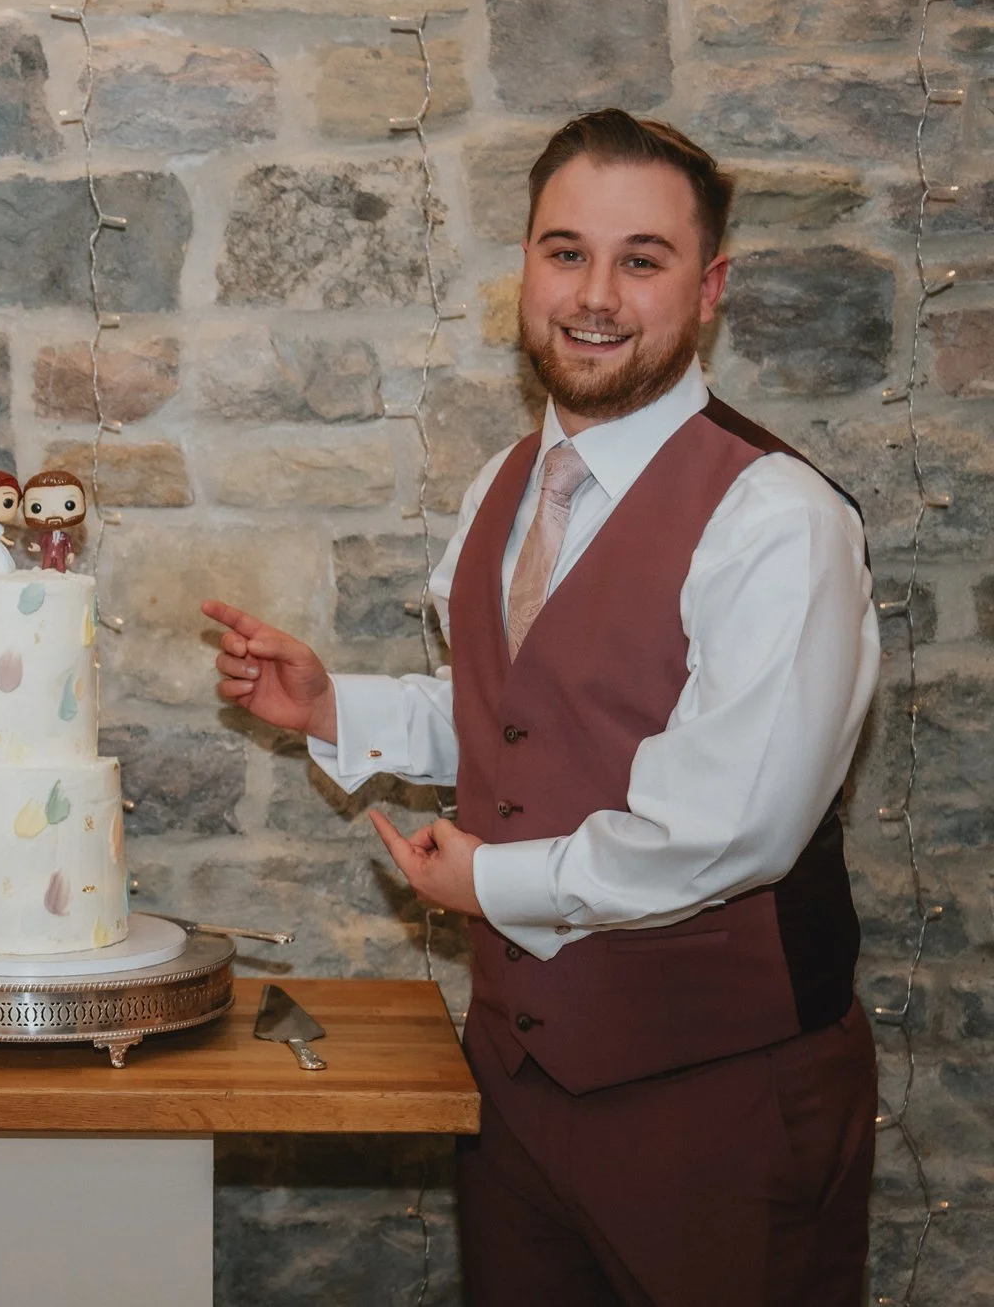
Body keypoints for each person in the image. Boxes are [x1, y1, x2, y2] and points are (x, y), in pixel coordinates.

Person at [204, 112, 879, 1305]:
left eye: (641, 258)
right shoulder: (506, 484)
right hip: (514, 1094)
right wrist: (328, 708)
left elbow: (734, 827)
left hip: (718, 1101)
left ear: (708, 286)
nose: (594, 295)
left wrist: (488, 886)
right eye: (564, 251)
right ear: (522, 265)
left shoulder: (776, 519)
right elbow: (517, 714)